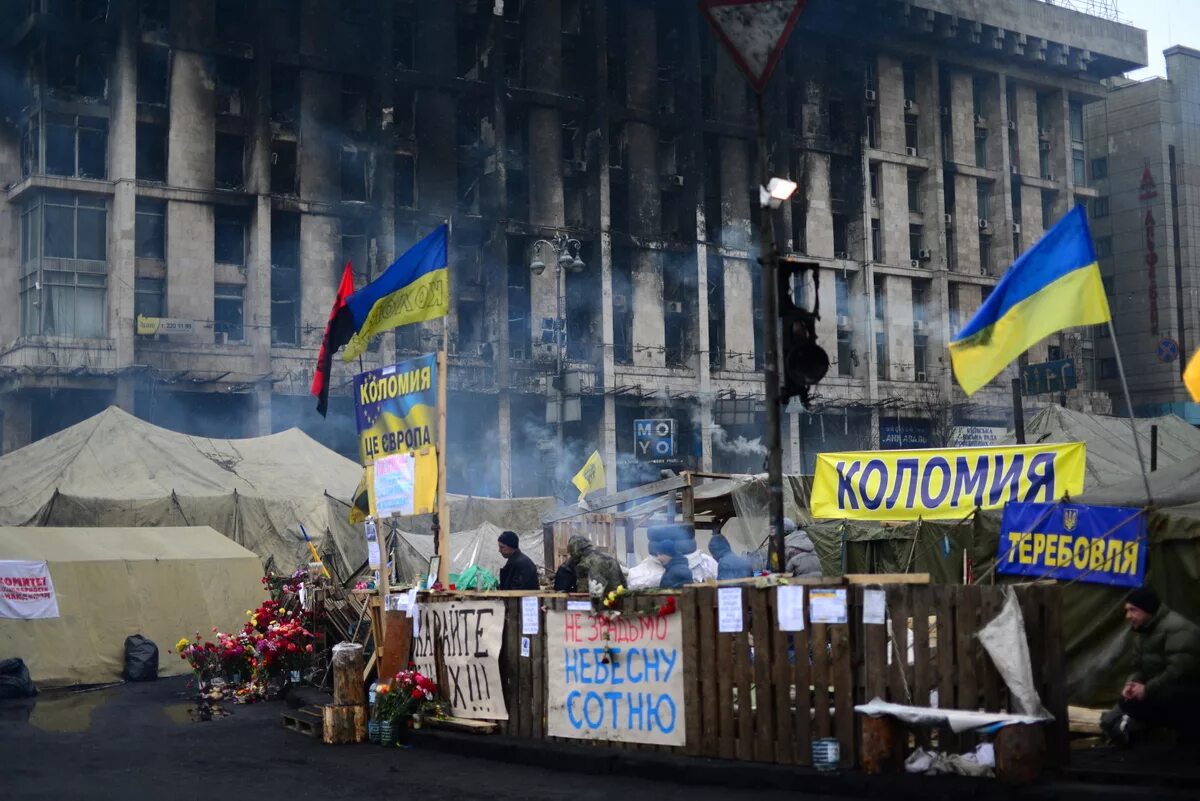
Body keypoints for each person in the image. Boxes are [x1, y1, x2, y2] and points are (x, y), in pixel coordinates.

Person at [1101, 587, 1200, 746]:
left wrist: (1146, 690)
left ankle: (1189, 740)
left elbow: (1179, 671)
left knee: (1169, 695)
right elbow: (1138, 667)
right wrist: (1131, 685)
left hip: (1188, 692)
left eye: (1133, 610)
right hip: (1163, 688)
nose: (1128, 616)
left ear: (1148, 609)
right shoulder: (1144, 631)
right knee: (1129, 701)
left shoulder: (1178, 628)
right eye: (1127, 611)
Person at [567, 534, 625, 599]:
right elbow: (623, 584)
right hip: (619, 601)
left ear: (575, 550)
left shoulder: (583, 564)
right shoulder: (609, 558)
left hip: (600, 604)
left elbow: (583, 594)